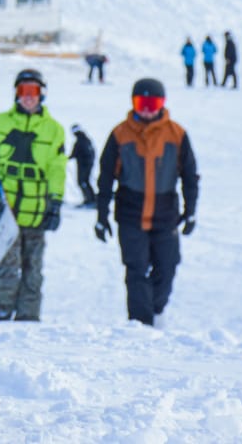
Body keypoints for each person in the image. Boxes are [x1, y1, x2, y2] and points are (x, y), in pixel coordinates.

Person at [95, 79, 199, 326]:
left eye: (153, 103)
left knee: (167, 267)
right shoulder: (120, 134)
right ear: (133, 103)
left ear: (162, 104)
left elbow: (189, 176)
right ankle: (141, 324)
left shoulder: (176, 134)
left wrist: (191, 210)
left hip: (165, 215)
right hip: (131, 214)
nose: (148, 109)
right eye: (142, 103)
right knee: (136, 270)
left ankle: (157, 309)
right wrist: (101, 215)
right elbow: (106, 177)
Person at [0, 70, 65, 322]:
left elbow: (57, 169)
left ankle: (28, 318)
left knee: (33, 269)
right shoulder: (1, 122)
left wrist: (55, 203)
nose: (28, 97)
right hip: (5, 209)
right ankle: (2, 312)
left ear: (41, 94)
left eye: (33, 91)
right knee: (7, 266)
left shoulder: (54, 130)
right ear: (16, 94)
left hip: (36, 209)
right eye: (23, 91)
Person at [69, 124, 96, 207]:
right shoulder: (86, 139)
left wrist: (65, 158)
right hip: (88, 164)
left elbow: (75, 153)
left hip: (83, 165)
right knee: (85, 181)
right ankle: (92, 199)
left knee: (82, 182)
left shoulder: (80, 141)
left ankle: (89, 200)